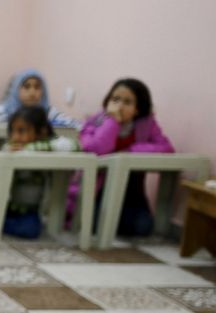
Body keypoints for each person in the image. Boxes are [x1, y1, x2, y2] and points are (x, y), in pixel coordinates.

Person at [70, 77, 174, 237]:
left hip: (132, 193)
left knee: (142, 228)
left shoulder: (147, 125)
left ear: (137, 109)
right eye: (115, 99)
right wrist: (112, 122)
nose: (119, 106)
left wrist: (129, 151)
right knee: (95, 225)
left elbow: (166, 148)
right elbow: (96, 149)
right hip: (98, 191)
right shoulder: (95, 122)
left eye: (127, 102)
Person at [0, 106, 78, 239]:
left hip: (29, 213)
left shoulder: (46, 148)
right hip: (5, 207)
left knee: (30, 230)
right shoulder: (9, 149)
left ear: (41, 132)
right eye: (12, 131)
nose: (15, 136)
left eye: (22, 131)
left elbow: (74, 146)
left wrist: (29, 148)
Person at [0, 69, 79, 129]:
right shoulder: (3, 112)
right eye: (27, 86)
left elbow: (73, 124)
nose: (32, 92)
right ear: (16, 89)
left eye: (37, 87)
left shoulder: (47, 111)